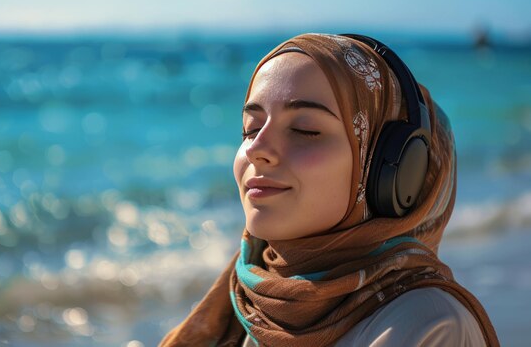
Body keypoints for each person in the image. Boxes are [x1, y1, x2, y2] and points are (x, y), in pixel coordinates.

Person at [160, 33, 499, 346]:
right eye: (251, 128)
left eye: (305, 130)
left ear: (390, 171)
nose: (256, 148)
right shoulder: (249, 303)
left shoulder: (427, 323)